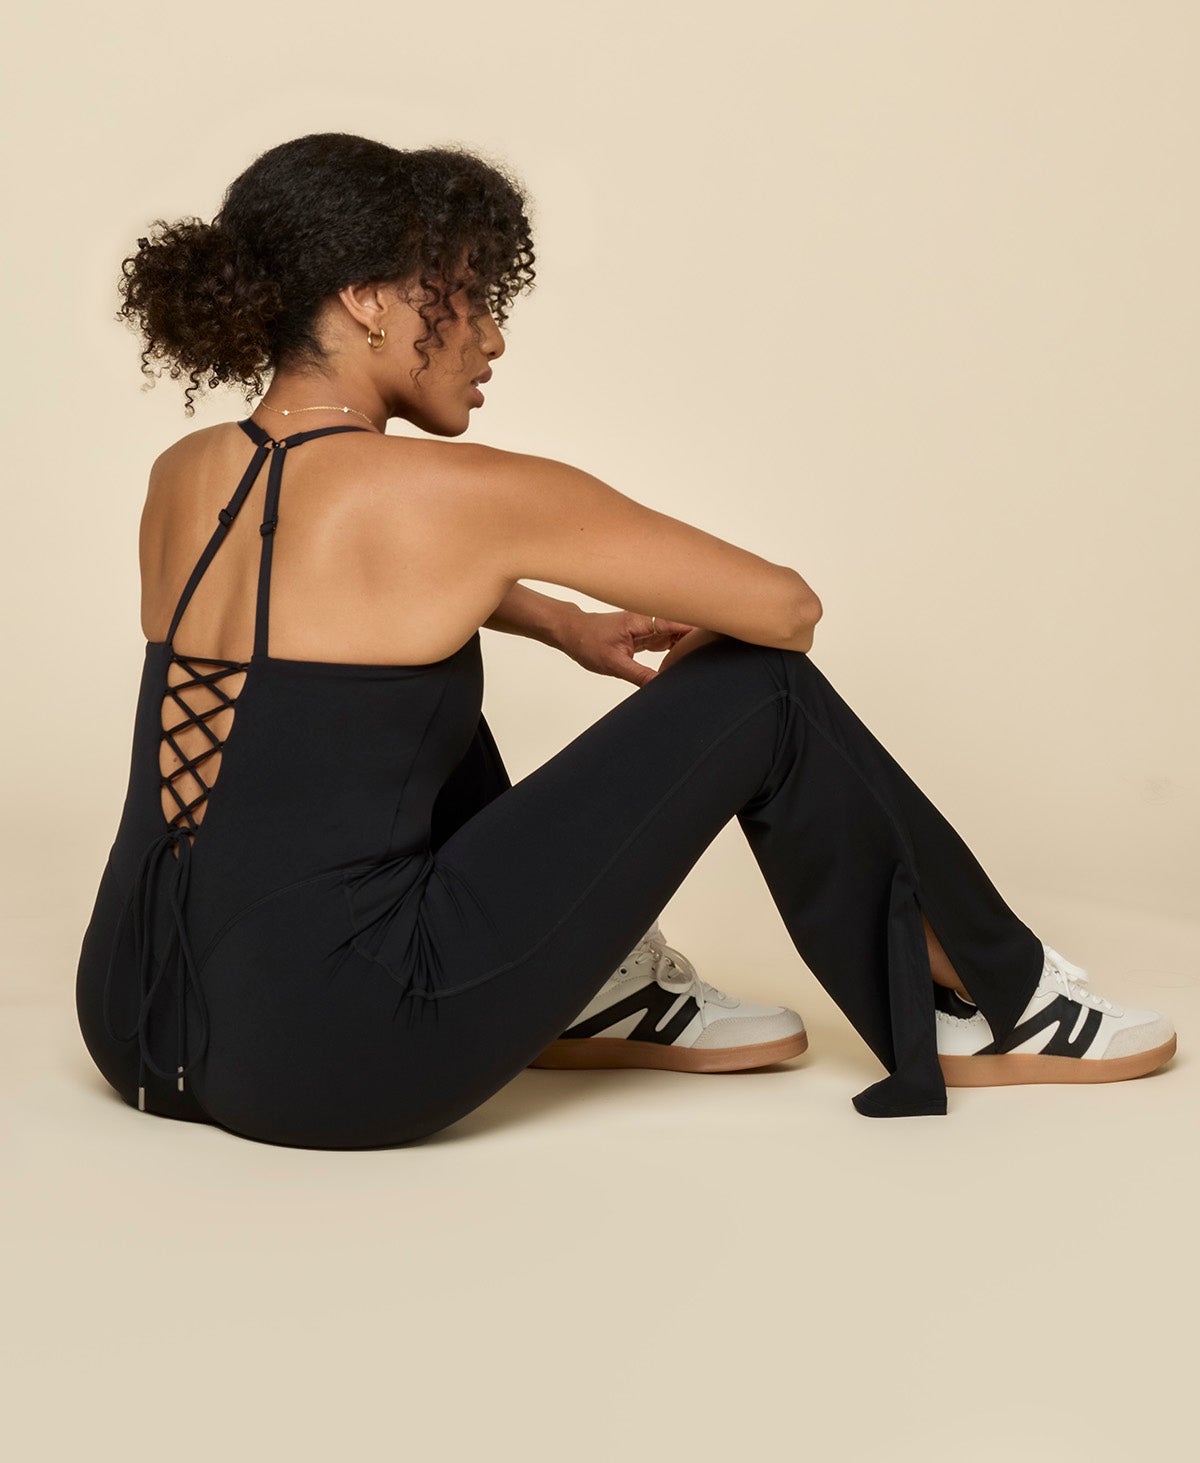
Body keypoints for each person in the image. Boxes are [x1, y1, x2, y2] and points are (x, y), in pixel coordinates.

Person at [74, 133, 1176, 1149]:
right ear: (365, 298)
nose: (491, 334)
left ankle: (591, 988)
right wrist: (692, 654)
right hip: (341, 1055)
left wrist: (558, 620)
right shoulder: (460, 494)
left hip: (138, 1018)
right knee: (762, 689)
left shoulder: (187, 475)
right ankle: (998, 996)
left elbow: (322, 606)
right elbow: (786, 609)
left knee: (397, 688)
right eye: (464, 294)